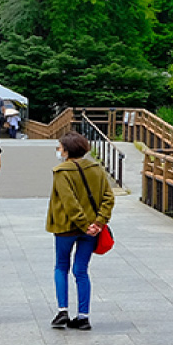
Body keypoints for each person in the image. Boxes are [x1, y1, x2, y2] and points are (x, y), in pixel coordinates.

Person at [46, 130, 114, 332]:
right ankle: (83, 316)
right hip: (91, 231)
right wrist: (97, 223)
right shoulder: (97, 169)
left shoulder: (62, 172)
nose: (58, 151)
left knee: (61, 266)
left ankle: (62, 311)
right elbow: (108, 198)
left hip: (66, 227)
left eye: (59, 148)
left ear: (67, 151)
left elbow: (69, 202)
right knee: (81, 270)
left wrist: (83, 223)